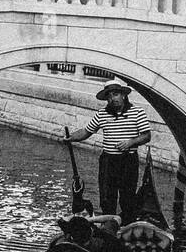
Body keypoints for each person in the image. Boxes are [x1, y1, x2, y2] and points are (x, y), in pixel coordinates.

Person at [65, 81, 152, 220]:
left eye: (116, 94)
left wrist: (131, 142)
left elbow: (146, 136)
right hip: (108, 161)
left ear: (123, 95)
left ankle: (126, 225)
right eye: (109, 96)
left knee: (127, 198)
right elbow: (86, 131)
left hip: (128, 161)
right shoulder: (102, 114)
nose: (113, 99)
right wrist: (71, 138)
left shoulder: (137, 112)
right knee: (106, 198)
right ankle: (108, 227)